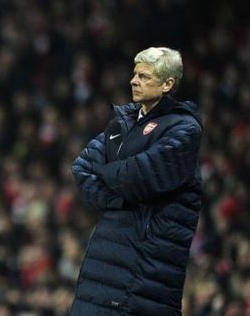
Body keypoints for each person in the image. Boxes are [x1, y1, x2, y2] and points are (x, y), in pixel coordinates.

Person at [70, 47, 203, 315]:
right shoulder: (123, 122)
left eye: (144, 76)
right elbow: (83, 168)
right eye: (134, 74)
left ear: (167, 84)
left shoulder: (184, 129)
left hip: (141, 278)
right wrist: (122, 198)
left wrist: (109, 172)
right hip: (101, 271)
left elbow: (138, 177)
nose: (133, 81)